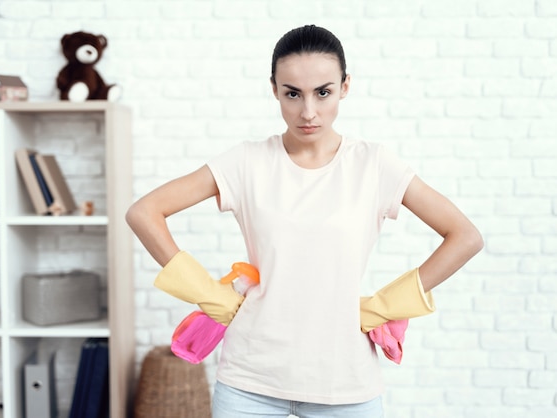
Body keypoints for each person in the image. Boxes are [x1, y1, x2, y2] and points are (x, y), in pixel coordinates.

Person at [126, 24, 483, 418]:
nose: (308, 111)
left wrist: (385, 305)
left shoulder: (374, 164)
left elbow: (464, 236)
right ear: (274, 89)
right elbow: (144, 213)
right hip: (250, 382)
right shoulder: (246, 162)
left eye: (323, 92)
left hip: (346, 384)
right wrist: (211, 297)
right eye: (292, 94)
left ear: (345, 87)